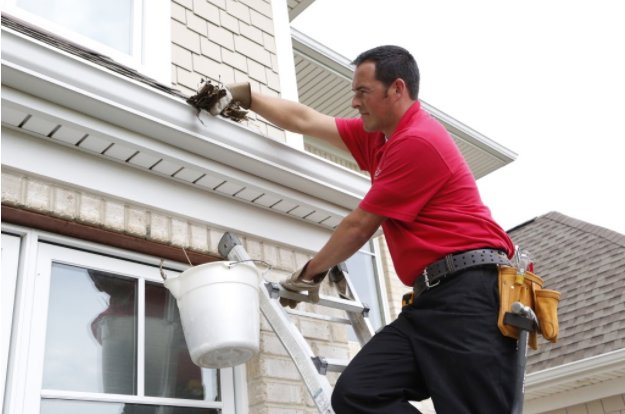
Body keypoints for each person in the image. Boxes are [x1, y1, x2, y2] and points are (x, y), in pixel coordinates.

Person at [203, 45, 517, 413]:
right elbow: (305, 120)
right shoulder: (378, 139)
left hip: (470, 296)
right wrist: (247, 96)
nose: (354, 102)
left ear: (396, 89)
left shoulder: (418, 140)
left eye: (362, 92)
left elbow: (360, 225)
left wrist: (308, 274)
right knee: (358, 393)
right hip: (430, 300)